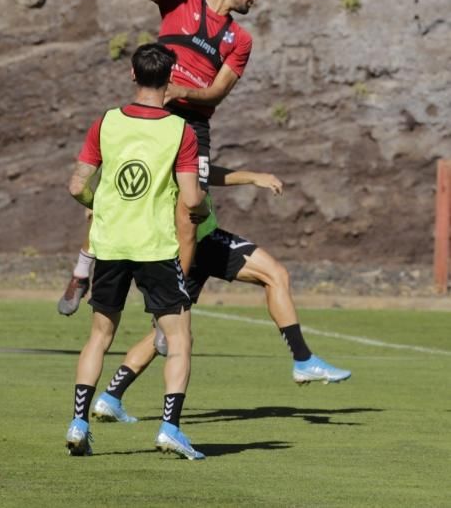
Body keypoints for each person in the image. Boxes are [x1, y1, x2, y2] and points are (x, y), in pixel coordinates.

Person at [58, 0, 260, 312]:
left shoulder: (242, 40)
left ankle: (174, 301)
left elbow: (218, 91)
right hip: (152, 115)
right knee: (117, 195)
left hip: (194, 126)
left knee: (188, 213)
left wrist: (184, 90)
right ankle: (82, 272)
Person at [64, 165, 351, 428]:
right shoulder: (181, 128)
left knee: (167, 332)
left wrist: (252, 177)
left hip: (176, 248)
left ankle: (111, 396)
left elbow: (203, 171)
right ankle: (303, 359)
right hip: (199, 240)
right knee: (275, 274)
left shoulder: (165, 135)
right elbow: (193, 177)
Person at [64, 43, 209, 460]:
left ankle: (78, 423)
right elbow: (191, 197)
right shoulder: (180, 131)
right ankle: (169, 428)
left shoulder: (106, 123)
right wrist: (199, 211)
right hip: (154, 248)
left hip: (110, 245)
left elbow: (76, 185)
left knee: (99, 336)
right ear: (170, 80)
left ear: (132, 75)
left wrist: (99, 205)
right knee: (180, 339)